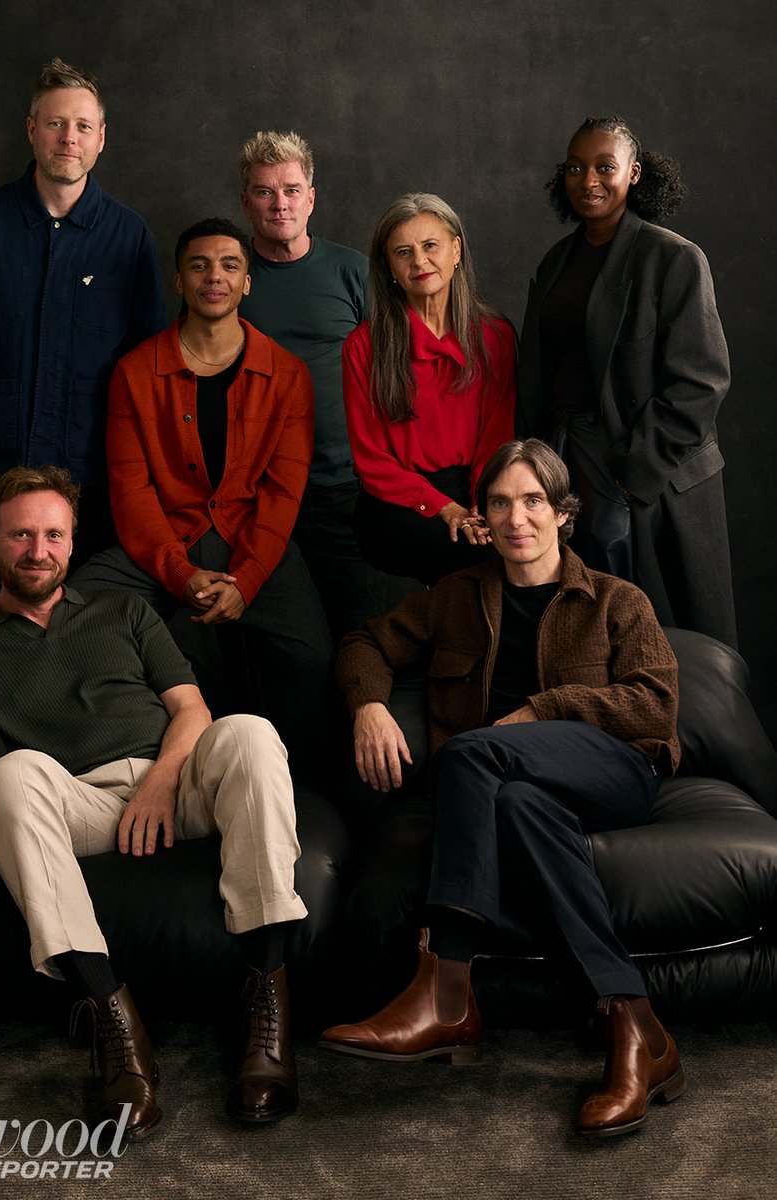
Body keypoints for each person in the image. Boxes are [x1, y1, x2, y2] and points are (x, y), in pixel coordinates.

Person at [0, 467, 306, 1136]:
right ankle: (114, 1022)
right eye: (20, 535)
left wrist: (161, 781)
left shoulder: (123, 611)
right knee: (11, 773)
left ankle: (265, 1004)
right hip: (80, 805)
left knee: (249, 732)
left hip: (176, 784)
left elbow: (191, 710)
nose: (37, 551)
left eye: (53, 535)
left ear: (72, 543)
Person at [320, 439, 685, 1139]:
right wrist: (368, 705)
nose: (517, 518)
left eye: (533, 501)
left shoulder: (616, 600)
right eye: (499, 503)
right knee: (512, 798)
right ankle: (637, 1029)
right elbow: (363, 643)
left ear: (563, 514)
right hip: (514, 790)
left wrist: (545, 710)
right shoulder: (455, 598)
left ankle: (447, 992)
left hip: (615, 773)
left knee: (468, 752)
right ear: (482, 517)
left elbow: (655, 707)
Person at [70, 218, 334, 778]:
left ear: (247, 283)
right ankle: (130, 768)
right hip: (164, 538)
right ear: (179, 281)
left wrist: (248, 581)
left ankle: (292, 787)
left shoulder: (287, 375)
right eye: (199, 265)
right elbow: (131, 491)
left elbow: (283, 492)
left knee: (311, 658)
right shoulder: (135, 372)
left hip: (251, 540)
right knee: (77, 610)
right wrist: (179, 573)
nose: (215, 276)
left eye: (230, 265)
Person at [0, 57, 167, 609]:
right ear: (32, 129)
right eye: (55, 123)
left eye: (82, 126)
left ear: (101, 138)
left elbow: (147, 372)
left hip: (91, 492)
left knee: (77, 642)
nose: (68, 138)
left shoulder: (128, 237)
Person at [517, 114, 736, 647]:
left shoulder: (674, 258)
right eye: (575, 168)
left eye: (605, 167)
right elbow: (539, 370)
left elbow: (701, 382)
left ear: (634, 173)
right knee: (587, 624)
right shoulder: (556, 261)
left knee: (665, 637)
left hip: (645, 465)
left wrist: (632, 472)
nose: (588, 180)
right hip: (567, 453)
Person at [237, 130, 387, 638]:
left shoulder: (354, 272)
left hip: (346, 488)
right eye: (264, 192)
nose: (280, 204)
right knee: (286, 643)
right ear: (246, 202)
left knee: (362, 631)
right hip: (259, 493)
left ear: (311, 198)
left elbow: (395, 376)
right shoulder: (230, 276)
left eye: (292, 190)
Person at [342, 193, 516, 587]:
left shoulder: (496, 336)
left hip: (476, 487)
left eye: (430, 245)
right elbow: (371, 460)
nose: (419, 262)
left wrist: (482, 505)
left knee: (523, 545)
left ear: (456, 250)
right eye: (403, 252)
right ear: (389, 267)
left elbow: (497, 438)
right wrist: (445, 509)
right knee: (486, 558)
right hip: (395, 501)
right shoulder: (363, 346)